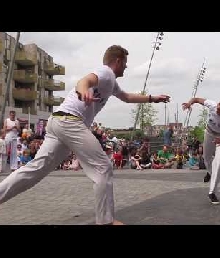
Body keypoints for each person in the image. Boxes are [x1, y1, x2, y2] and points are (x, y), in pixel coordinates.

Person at [0, 45, 170, 225]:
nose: (126, 67)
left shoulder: (111, 82)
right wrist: (83, 91)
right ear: (118, 61)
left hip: (57, 122)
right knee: (103, 167)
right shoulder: (106, 73)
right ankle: (105, 221)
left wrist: (152, 98)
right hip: (70, 122)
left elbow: (127, 97)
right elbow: (84, 81)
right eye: (125, 63)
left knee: (35, 169)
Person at [182, 96, 220, 205]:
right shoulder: (213, 105)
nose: (217, 108)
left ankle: (212, 192)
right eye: (219, 104)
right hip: (209, 133)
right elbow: (196, 99)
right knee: (206, 158)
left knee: (219, 162)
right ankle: (209, 172)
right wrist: (190, 103)